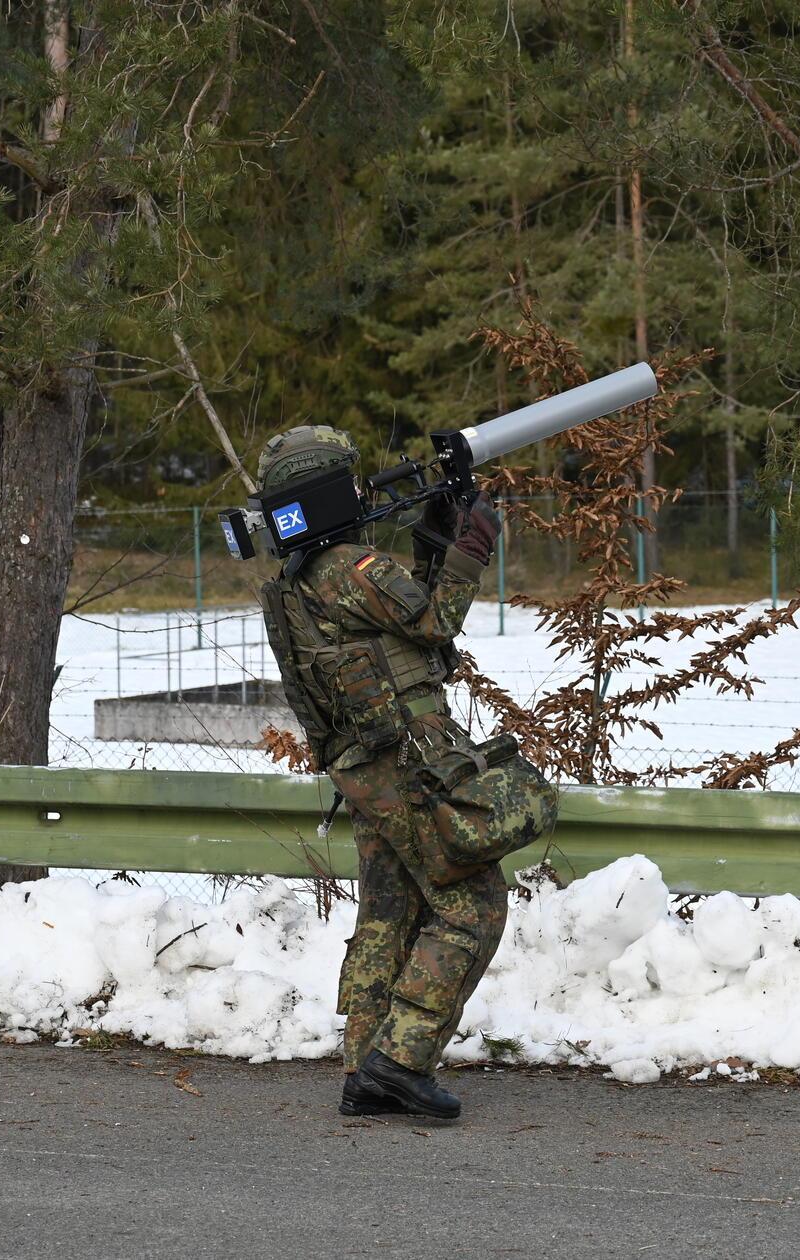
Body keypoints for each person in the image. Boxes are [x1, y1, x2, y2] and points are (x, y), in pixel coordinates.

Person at [251, 425, 556, 1122]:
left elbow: (399, 616)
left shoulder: (303, 579)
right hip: (404, 767)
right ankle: (401, 1061)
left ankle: (365, 1068)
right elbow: (434, 621)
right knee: (474, 905)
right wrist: (471, 546)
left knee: (389, 913)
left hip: (364, 767)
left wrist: (432, 541)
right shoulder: (351, 567)